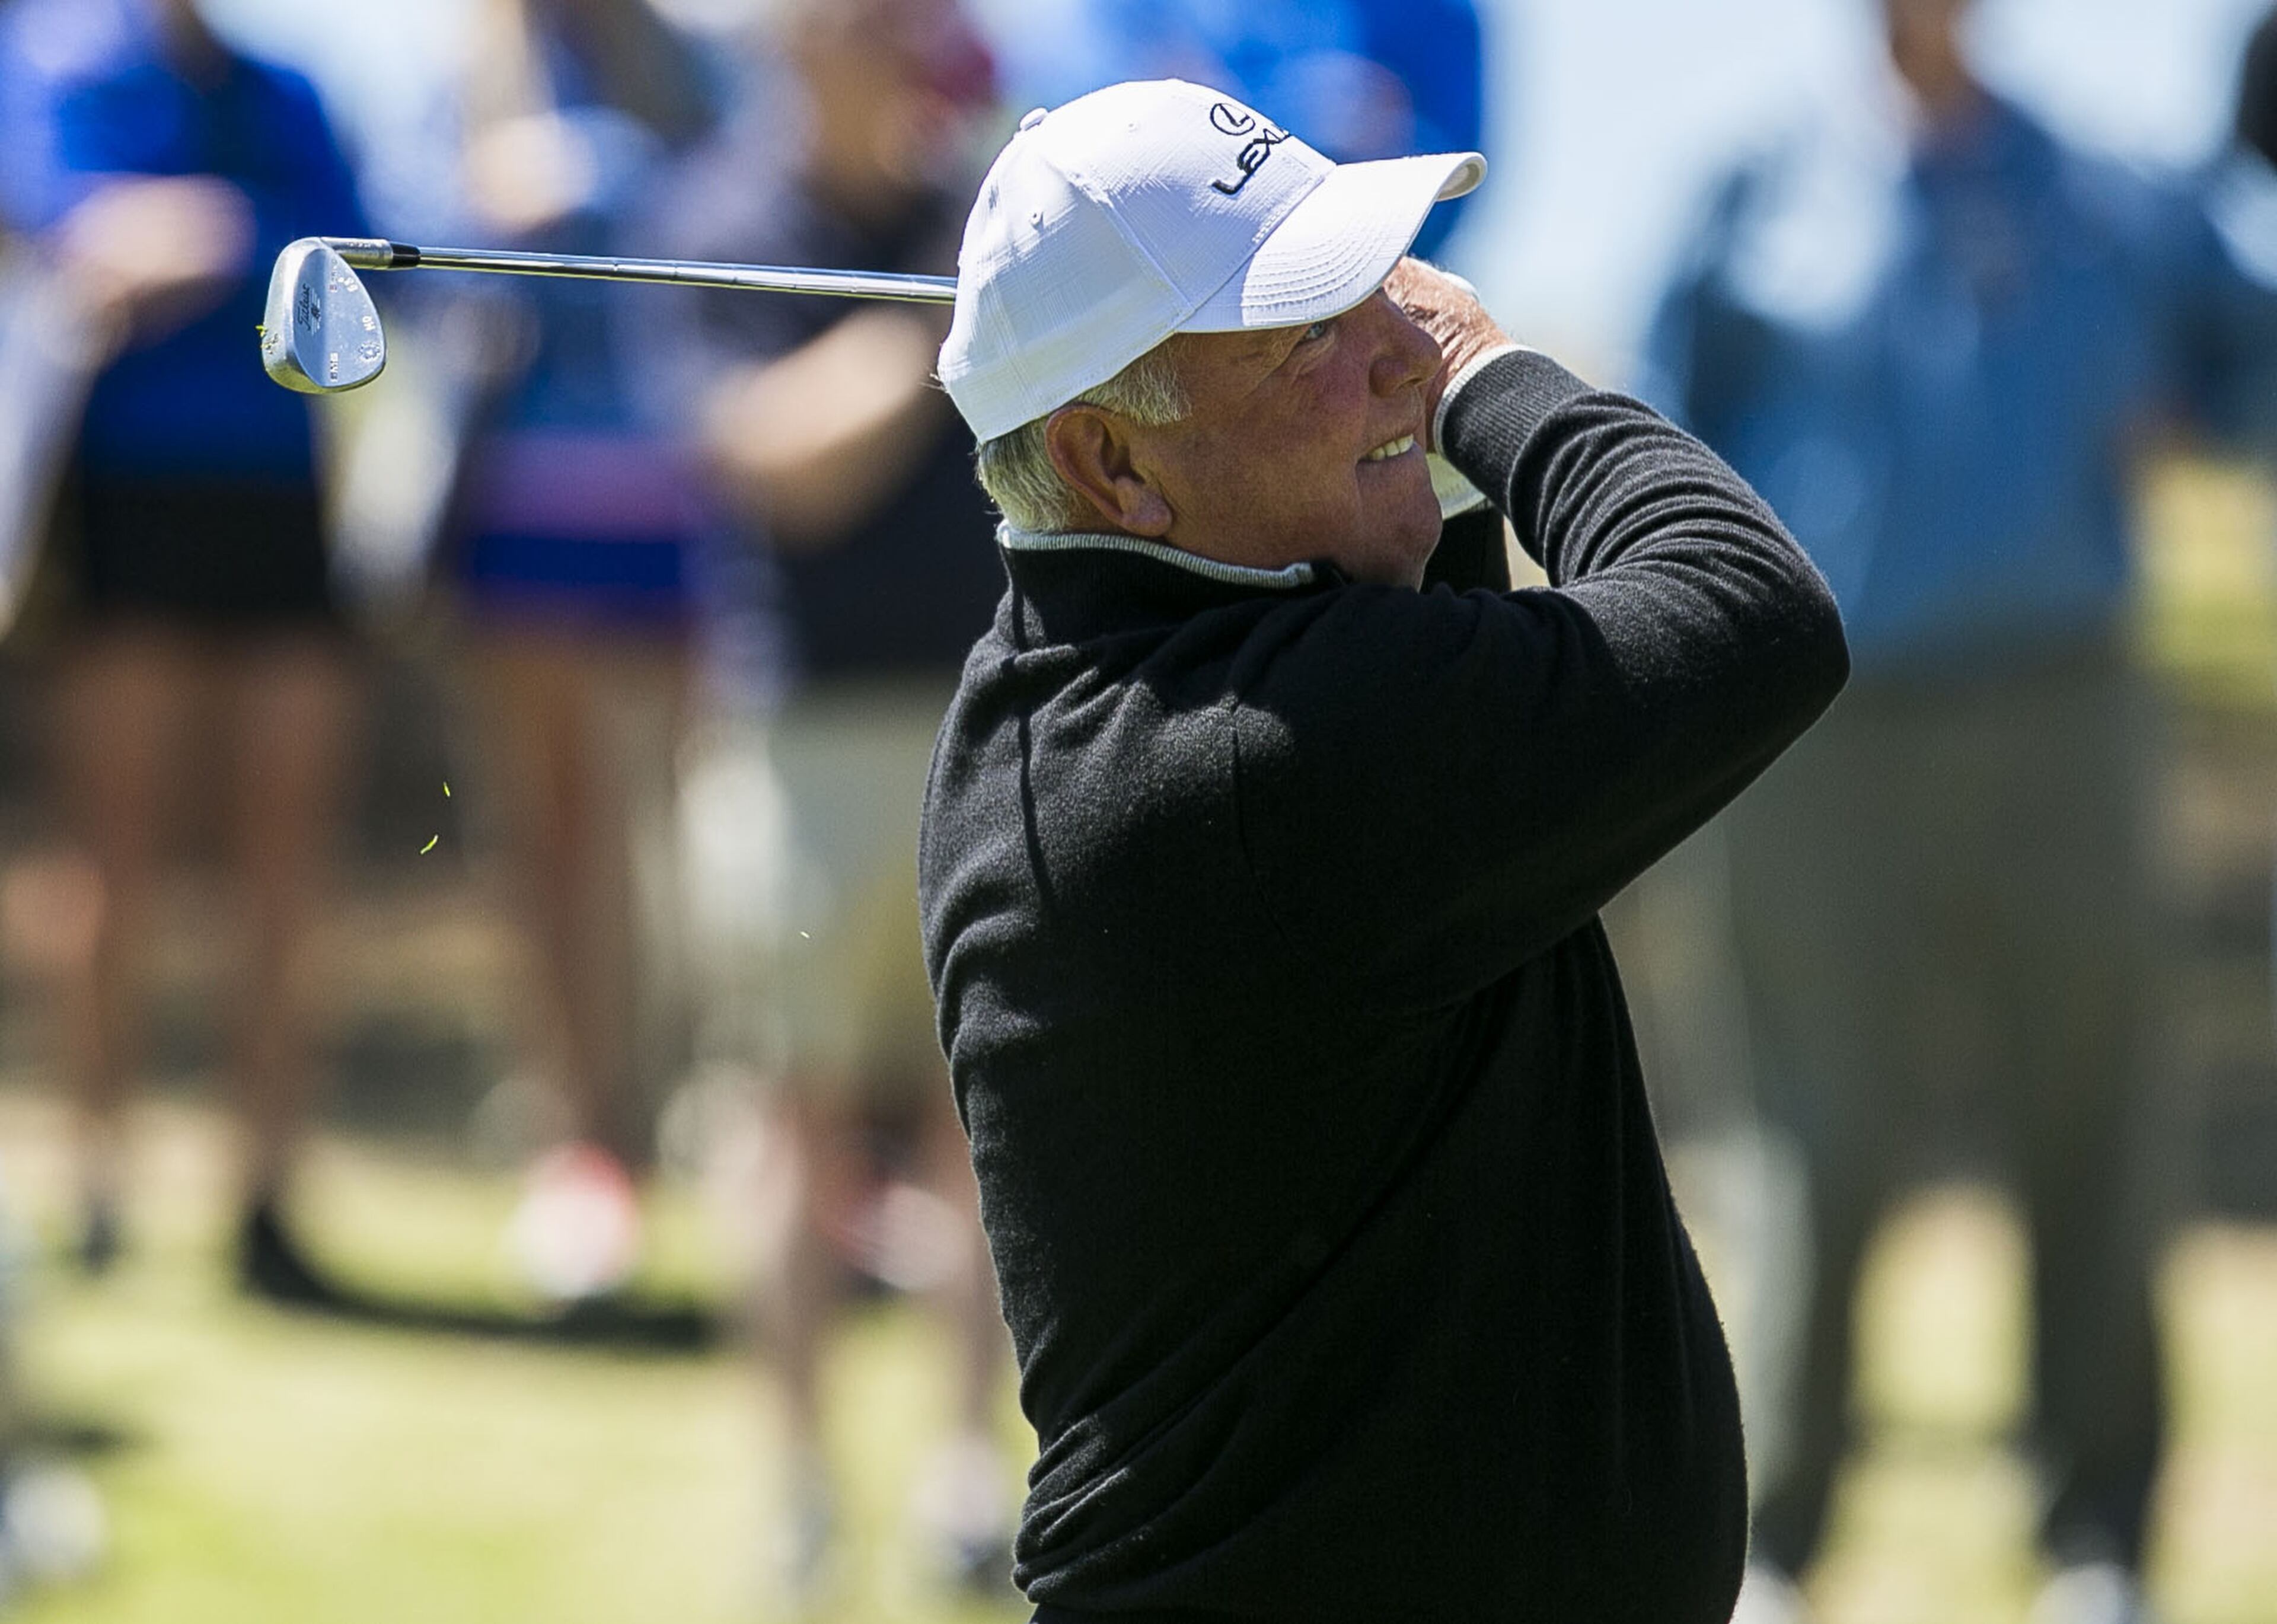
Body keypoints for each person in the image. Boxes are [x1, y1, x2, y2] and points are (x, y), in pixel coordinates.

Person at [919, 78, 1849, 1620]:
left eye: (1376, 297)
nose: (1396, 353)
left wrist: (1382, 399)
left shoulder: (1097, 677)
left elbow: (1446, 606)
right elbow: (1751, 612)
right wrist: (1491, 371)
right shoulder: (1251, 765)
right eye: (1307, 334)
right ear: (1111, 465)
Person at [1640, 2, 2277, 1619]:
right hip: (1817, 720)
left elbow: (2247, 356)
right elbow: (1656, 442)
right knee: (1812, 1130)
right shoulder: (1758, 187)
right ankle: (1777, 1537)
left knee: (2096, 1108)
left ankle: (2099, 1535)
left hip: (2069, 701)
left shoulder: (2109, 188)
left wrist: (2197, 414)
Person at [639, 0, 1014, 1594]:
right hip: (798, 740)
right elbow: (770, 454)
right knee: (790, 1111)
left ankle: (966, 1470)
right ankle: (798, 1487)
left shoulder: (977, 211)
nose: (902, 39)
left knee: (982, 1119)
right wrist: (948, 329)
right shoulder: (720, 219)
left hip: (989, 727)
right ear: (797, 41)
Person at [0, 0, 369, 1301]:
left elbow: (346, 255)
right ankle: (94, 1178)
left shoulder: (293, 90)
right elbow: (77, 240)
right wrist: (228, 230)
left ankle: (263, 1192)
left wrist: (194, 232)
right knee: (113, 855)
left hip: (278, 505)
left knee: (282, 868)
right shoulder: (51, 61)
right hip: (118, 502)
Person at [435, 0, 725, 1303]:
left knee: (683, 833)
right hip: (519, 501)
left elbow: (748, 224)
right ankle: (577, 1144)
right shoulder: (468, 67)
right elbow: (405, 241)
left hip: (683, 505)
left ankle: (689, 1122)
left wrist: (618, 178)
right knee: (549, 831)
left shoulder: (704, 62)